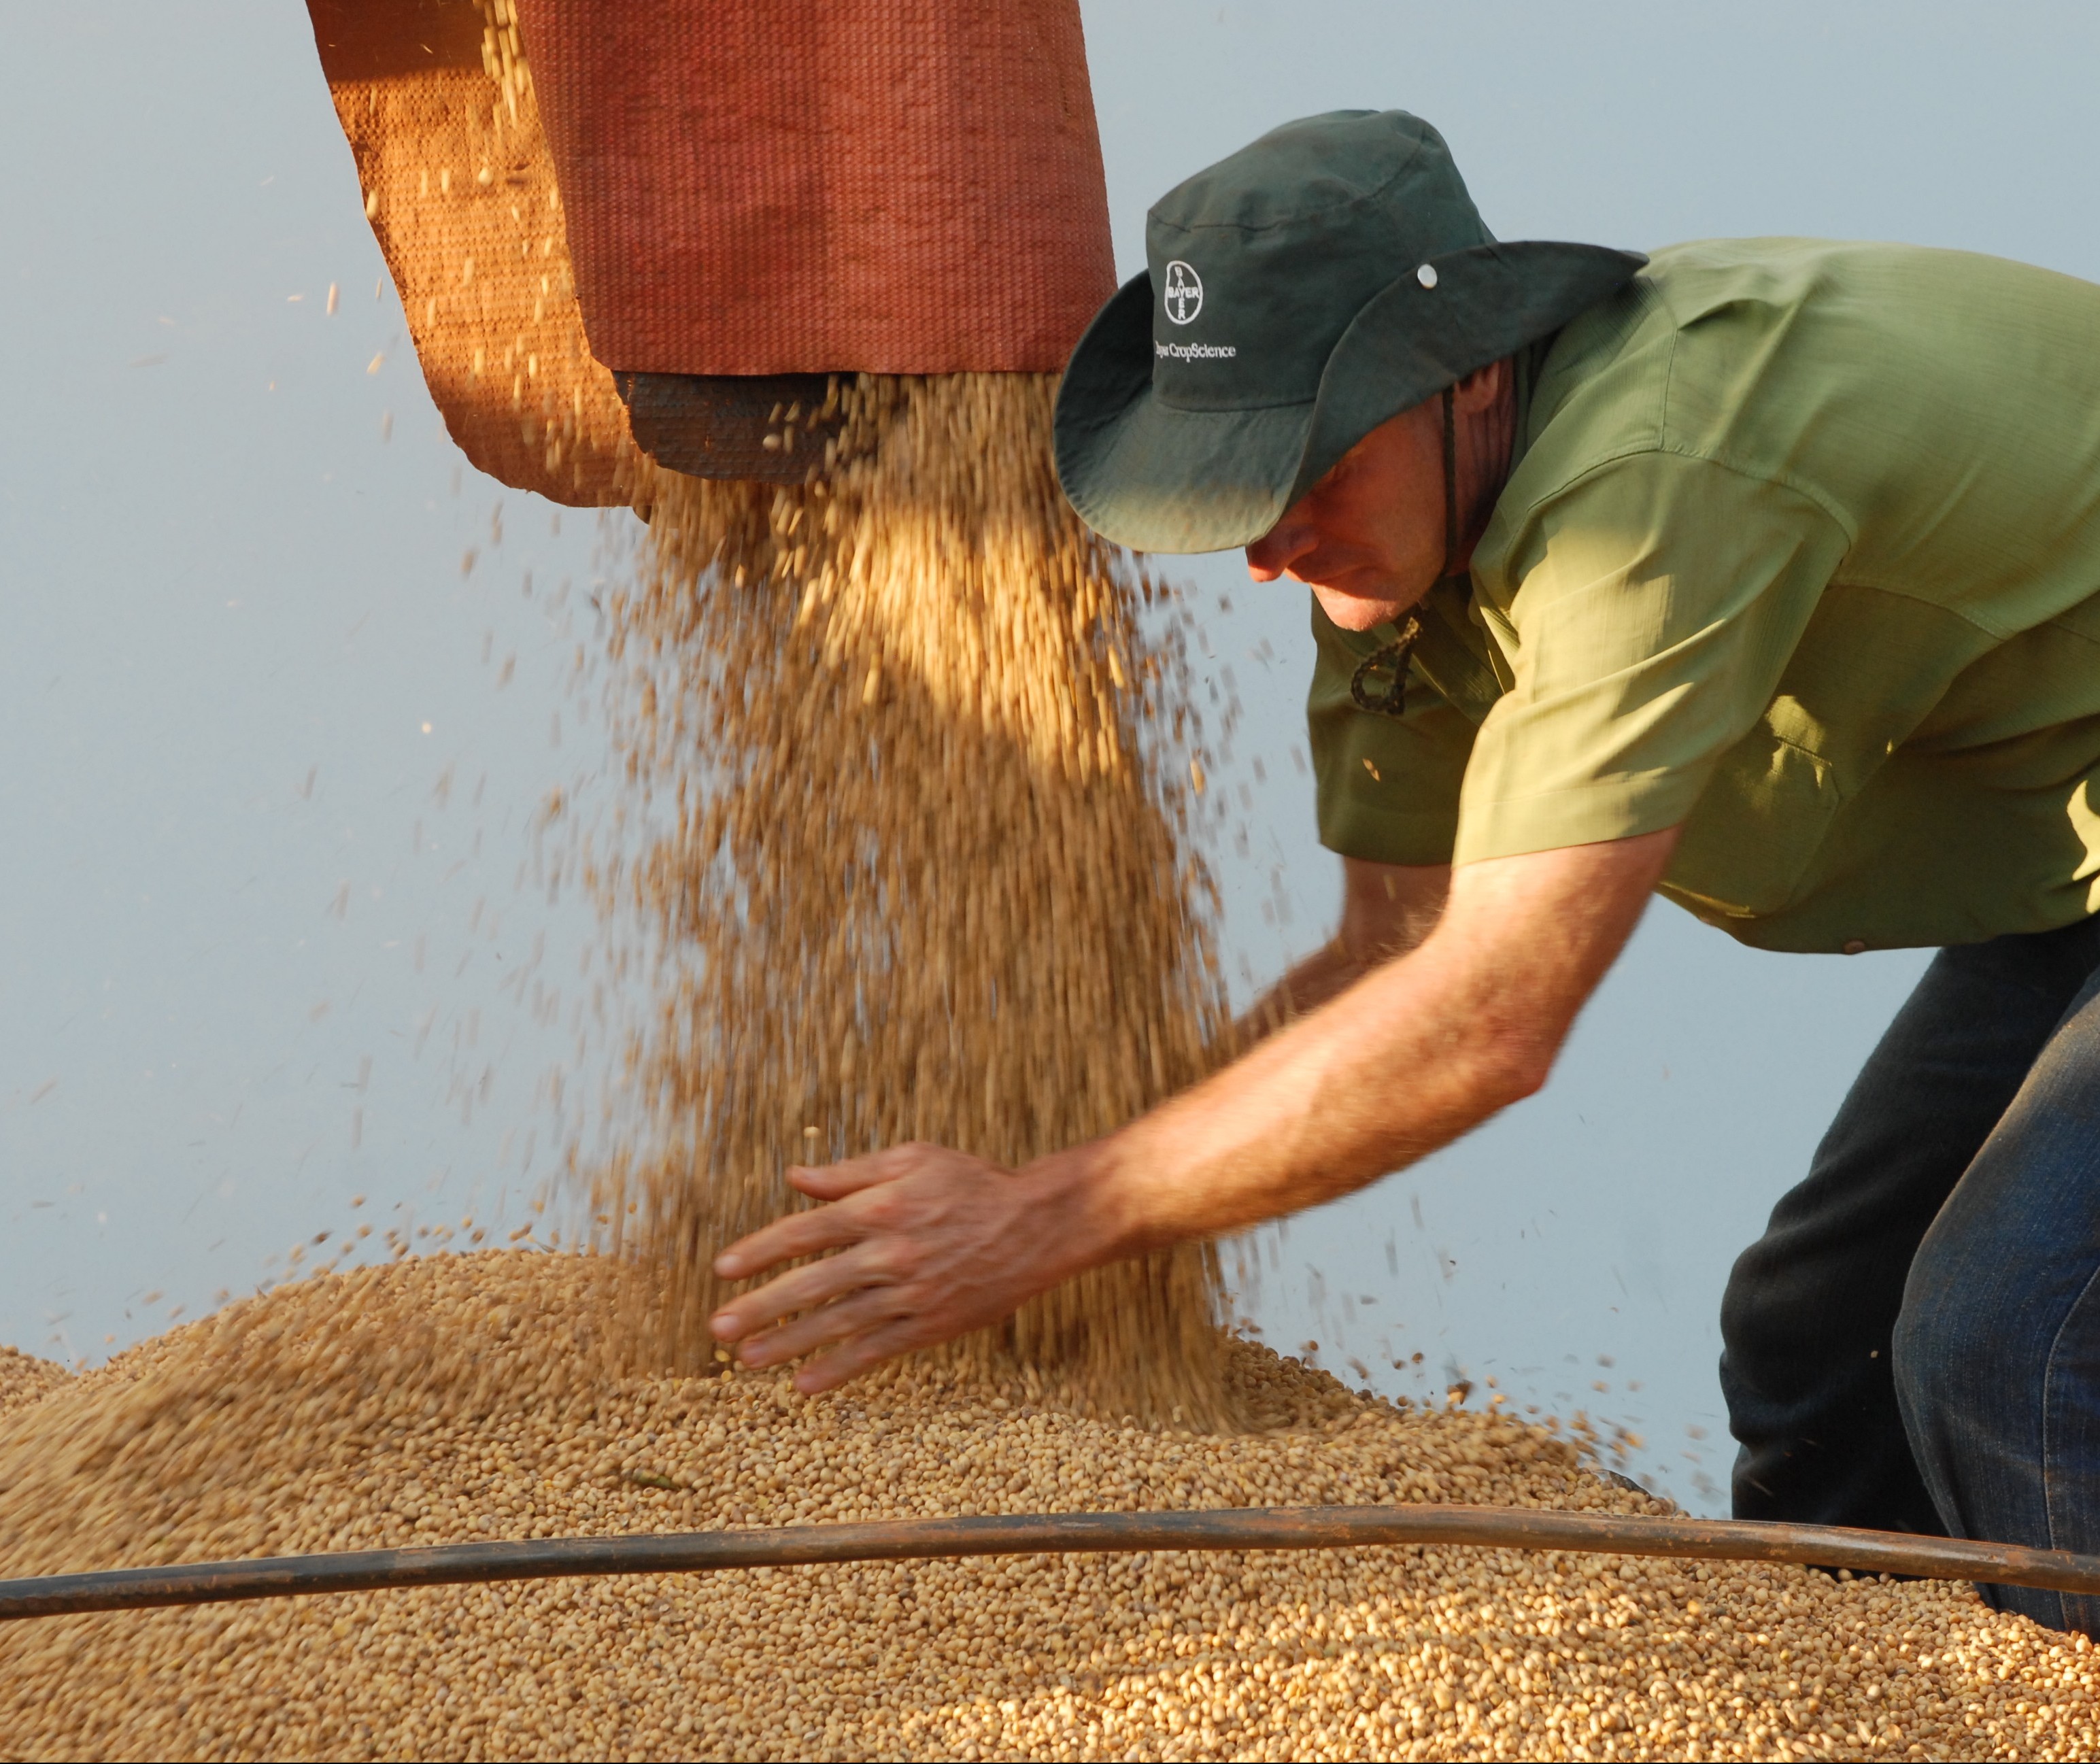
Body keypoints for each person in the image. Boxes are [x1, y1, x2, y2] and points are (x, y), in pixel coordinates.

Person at [707, 108, 2100, 1635]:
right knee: (1810, 1336)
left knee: (2006, 1336)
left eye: (1296, 461)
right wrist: (1043, 1183)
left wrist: (1047, 1217)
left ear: (1468, 370)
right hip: (2075, 870)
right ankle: (1868, 1710)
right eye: (1226, 484)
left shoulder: (1647, 482)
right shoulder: (1392, 557)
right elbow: (1394, 951)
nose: (1264, 542)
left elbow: (1489, 1014)